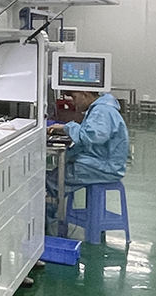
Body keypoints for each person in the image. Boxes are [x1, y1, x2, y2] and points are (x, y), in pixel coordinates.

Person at [46, 90, 129, 231]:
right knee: (55, 175)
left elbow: (92, 137)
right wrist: (64, 129)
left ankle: (46, 227)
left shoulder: (102, 111)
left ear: (85, 94)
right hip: (100, 163)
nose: (73, 102)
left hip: (102, 167)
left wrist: (69, 127)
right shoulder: (102, 107)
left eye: (74, 97)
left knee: (51, 182)